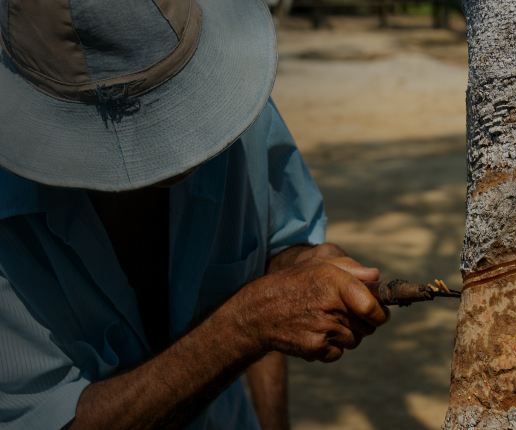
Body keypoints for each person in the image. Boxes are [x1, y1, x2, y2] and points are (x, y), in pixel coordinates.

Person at [0, 0, 390, 429]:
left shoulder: (238, 104)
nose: (175, 141)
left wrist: (298, 267)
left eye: (171, 91)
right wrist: (244, 327)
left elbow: (277, 245)